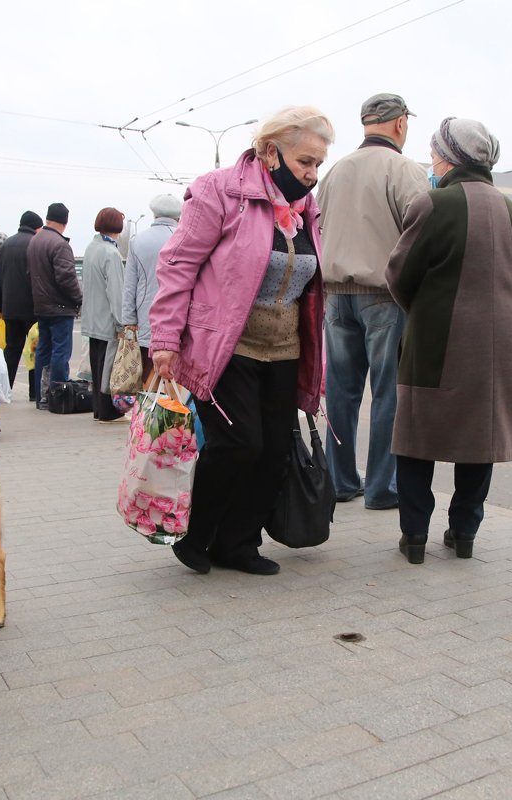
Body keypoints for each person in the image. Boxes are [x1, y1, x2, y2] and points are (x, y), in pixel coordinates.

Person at [151, 106, 334, 576]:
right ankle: (197, 532)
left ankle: (239, 544)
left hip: (285, 348)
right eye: (305, 162)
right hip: (226, 345)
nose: (313, 175)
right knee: (239, 444)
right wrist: (166, 338)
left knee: (273, 450)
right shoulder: (221, 191)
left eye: (318, 164)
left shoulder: (305, 209)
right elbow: (178, 265)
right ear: (271, 151)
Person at [385, 117, 512, 564]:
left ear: (449, 156)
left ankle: (415, 536)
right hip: (496, 348)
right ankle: (464, 532)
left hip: (434, 342)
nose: (432, 159)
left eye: (435, 151)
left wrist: (427, 306)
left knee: (417, 438)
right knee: (480, 439)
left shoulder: (434, 203)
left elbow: (399, 274)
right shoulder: (510, 209)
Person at [316, 92, 428, 511]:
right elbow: (420, 234)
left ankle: (340, 481)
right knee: (388, 395)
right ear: (400, 123)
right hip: (384, 296)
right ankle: (383, 488)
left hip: (335, 296)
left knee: (341, 395)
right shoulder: (404, 169)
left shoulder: (335, 170)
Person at [123, 194, 182, 379]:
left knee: (147, 374)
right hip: (178, 317)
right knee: (176, 376)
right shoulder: (183, 238)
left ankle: (147, 407)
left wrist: (129, 320)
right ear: (178, 215)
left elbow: (130, 285)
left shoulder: (137, 241)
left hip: (145, 317)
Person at [28, 202, 80, 408]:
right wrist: (78, 298)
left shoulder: (35, 241)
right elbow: (66, 278)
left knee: (43, 350)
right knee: (60, 352)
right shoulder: (60, 244)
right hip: (59, 307)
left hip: (41, 305)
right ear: (65, 223)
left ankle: (42, 396)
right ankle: (58, 396)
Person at [81, 207, 126, 422]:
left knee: (97, 364)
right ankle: (108, 410)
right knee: (108, 366)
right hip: (107, 319)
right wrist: (121, 322)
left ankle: (98, 409)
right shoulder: (112, 253)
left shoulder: (91, 248)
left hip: (92, 318)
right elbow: (116, 291)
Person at [0, 210, 42, 393]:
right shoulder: (35, 244)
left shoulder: (5, 246)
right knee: (34, 349)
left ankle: (4, 388)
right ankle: (34, 392)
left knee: (12, 349)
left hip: (10, 308)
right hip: (33, 308)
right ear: (36, 227)